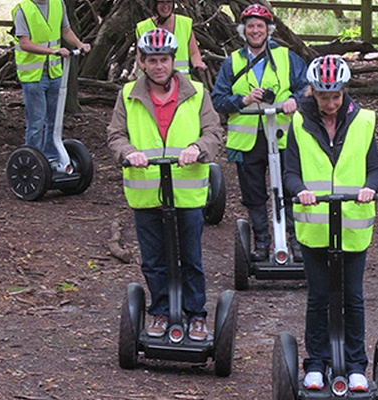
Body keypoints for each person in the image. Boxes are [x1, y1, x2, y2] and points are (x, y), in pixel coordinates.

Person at [107, 28, 223, 341]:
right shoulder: (128, 95)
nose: (159, 66)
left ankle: (196, 314)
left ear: (174, 61)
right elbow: (115, 135)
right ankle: (159, 310)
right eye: (153, 60)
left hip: (186, 192)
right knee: (154, 259)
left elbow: (213, 132)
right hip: (146, 192)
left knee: (191, 258)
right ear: (142, 62)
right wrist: (129, 153)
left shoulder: (197, 92)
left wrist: (198, 149)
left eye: (165, 60)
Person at [283, 55, 378, 392]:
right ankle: (316, 363)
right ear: (311, 91)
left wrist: (371, 187)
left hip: (353, 224)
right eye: (323, 96)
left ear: (344, 91)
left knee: (353, 297)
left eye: (336, 96)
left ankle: (356, 365)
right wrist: (300, 191)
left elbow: (375, 169)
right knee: (319, 297)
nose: (330, 103)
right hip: (315, 224)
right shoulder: (298, 122)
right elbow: (290, 172)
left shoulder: (364, 121)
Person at [211, 3, 308, 262]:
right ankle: (262, 243)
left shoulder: (287, 57)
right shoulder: (233, 61)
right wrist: (242, 101)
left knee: (290, 189)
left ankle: (295, 242)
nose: (255, 31)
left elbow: (308, 88)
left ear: (268, 30)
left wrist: (294, 101)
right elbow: (218, 99)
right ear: (244, 30)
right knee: (254, 195)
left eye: (260, 26)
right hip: (247, 140)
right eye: (251, 26)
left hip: (283, 136)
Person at [12, 0, 91, 162]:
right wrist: (53, 51)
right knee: (36, 123)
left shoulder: (57, 4)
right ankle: (32, 162)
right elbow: (24, 43)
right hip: (33, 76)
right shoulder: (23, 10)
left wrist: (79, 44)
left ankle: (50, 159)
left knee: (54, 122)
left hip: (55, 73)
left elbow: (66, 30)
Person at [136, 0, 206, 74]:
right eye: (161, 2)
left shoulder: (184, 24)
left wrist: (198, 63)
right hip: (151, 81)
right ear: (155, 4)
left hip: (181, 80)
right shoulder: (143, 28)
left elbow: (194, 52)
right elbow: (140, 58)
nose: (165, 5)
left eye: (169, 2)